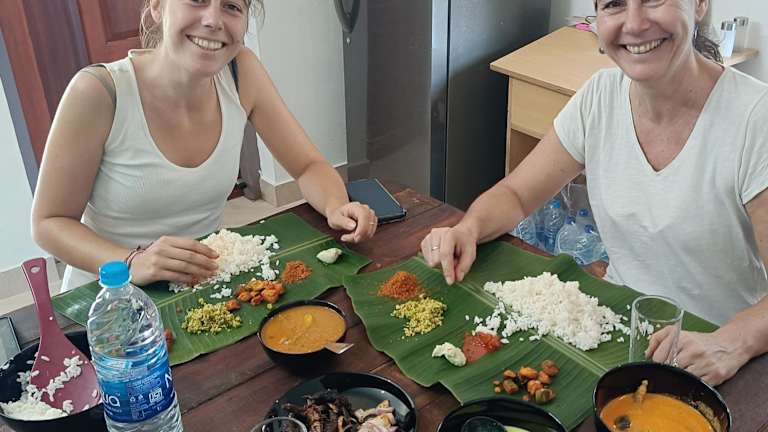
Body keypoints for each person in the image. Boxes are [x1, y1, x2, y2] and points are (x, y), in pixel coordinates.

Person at [420, 0, 767, 386]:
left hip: (721, 361)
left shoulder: (755, 119)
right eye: (614, 4)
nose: (634, 23)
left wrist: (732, 342)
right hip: (615, 334)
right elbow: (516, 194)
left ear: (700, 4)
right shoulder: (600, 97)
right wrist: (468, 229)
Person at [31, 0, 377, 292]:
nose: (213, 20)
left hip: (200, 286)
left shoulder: (241, 71)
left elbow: (307, 166)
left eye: (231, 6)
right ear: (157, 7)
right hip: (110, 300)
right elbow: (49, 222)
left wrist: (336, 205)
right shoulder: (99, 91)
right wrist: (132, 262)